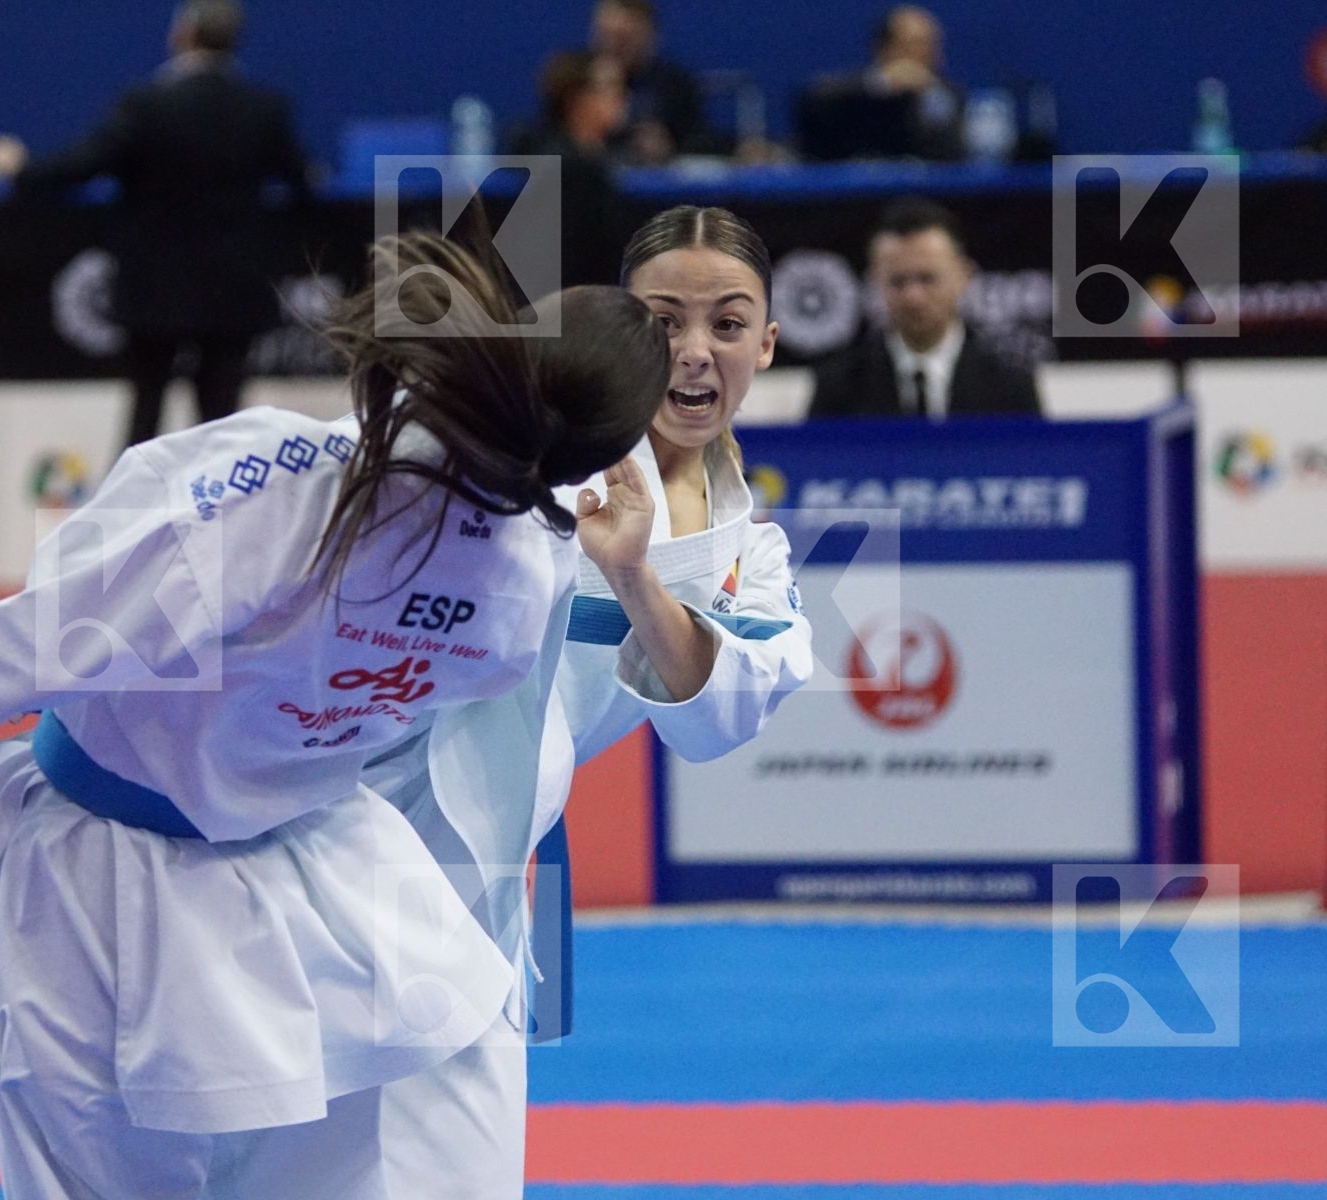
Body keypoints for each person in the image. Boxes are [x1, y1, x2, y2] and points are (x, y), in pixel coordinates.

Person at [0, 231, 669, 1199]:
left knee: (83, 1170)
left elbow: (94, 617)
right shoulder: (518, 584)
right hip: (310, 884)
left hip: (102, 873)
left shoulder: (311, 479)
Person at [377, 205, 815, 1198]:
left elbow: (716, 722)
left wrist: (633, 580)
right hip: (329, 818)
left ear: (769, 343)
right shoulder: (516, 449)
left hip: (474, 875)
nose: (694, 354)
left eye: (728, 324)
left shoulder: (750, 551)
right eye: (664, 322)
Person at [0, 0, 311, 451]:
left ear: (182, 35)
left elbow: (83, 165)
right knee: (224, 425)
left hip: (156, 289)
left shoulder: (147, 105)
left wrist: (20, 170)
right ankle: (228, 517)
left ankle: (133, 519)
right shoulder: (265, 108)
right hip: (233, 290)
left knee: (145, 415)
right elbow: (303, 185)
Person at [808, 197, 1041, 419]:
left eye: (927, 278)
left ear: (964, 276)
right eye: (898, 281)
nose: (913, 297)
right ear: (875, 282)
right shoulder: (838, 388)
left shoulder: (1011, 386)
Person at [507, 51, 629, 287]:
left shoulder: (605, 157)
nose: (623, 98)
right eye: (611, 88)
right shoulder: (570, 170)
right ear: (577, 99)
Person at [795, 4, 963, 162]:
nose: (926, 53)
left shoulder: (945, 94)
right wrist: (883, 85)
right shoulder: (848, 90)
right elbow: (814, 104)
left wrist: (928, 96)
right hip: (854, 189)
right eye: (915, 44)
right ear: (884, 47)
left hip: (919, 190)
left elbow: (950, 155)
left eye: (932, 45)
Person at [590, 0, 723, 163]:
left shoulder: (674, 84)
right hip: (584, 178)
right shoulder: (576, 82)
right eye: (607, 35)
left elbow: (701, 145)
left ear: (650, 35)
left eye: (624, 38)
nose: (614, 46)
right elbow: (552, 145)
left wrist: (669, 149)